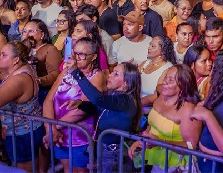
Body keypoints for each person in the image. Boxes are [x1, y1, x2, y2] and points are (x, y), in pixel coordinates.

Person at [65, 61, 142, 173]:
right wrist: (81, 104)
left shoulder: (126, 100)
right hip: (105, 148)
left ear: (126, 83)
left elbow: (98, 99)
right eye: (112, 72)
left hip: (114, 153)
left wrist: (77, 73)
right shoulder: (114, 93)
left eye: (116, 74)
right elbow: (100, 108)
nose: (110, 75)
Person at [43, 37, 106, 173]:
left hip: (80, 136)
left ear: (94, 57)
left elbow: (81, 111)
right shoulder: (66, 71)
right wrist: (50, 129)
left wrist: (53, 129)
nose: (77, 58)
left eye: (82, 54)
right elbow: (48, 100)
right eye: (75, 53)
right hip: (58, 134)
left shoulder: (97, 76)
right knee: (67, 170)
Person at [128, 64, 201, 171]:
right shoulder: (162, 97)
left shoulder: (189, 110)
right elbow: (152, 125)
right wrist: (141, 140)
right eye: (165, 77)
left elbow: (191, 147)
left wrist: (161, 142)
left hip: (176, 165)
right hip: (155, 159)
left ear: (183, 85)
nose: (165, 82)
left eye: (170, 80)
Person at [0, 41, 45, 172]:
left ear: (16, 60)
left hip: (21, 134)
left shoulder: (18, 80)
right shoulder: (23, 68)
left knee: (24, 170)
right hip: (27, 129)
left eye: (3, 55)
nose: (0, 57)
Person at [21, 18, 61, 105]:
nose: (27, 34)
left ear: (42, 34)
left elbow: (55, 75)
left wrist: (37, 81)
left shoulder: (50, 49)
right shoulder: (22, 50)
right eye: (24, 31)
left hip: (42, 92)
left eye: (31, 31)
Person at [139, 35, 176, 110]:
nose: (148, 47)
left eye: (153, 46)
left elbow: (156, 96)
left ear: (163, 51)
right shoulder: (145, 63)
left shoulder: (168, 69)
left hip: (150, 109)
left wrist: (135, 104)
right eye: (150, 45)